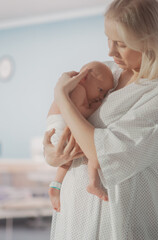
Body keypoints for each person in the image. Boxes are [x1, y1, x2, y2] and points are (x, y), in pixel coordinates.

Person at [43, 0, 158, 239]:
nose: (110, 52)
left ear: (149, 42)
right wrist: (52, 153)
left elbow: (105, 153)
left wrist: (61, 96)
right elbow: (67, 125)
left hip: (123, 223)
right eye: (108, 39)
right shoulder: (107, 74)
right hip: (74, 217)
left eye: (121, 44)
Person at [46, 61, 114, 212]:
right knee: (92, 150)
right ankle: (93, 183)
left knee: (67, 160)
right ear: (84, 78)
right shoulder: (78, 90)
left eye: (104, 94)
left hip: (56, 128)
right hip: (60, 126)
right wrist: (94, 109)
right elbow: (77, 113)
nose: (101, 97)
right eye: (100, 90)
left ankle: (56, 185)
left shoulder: (76, 89)